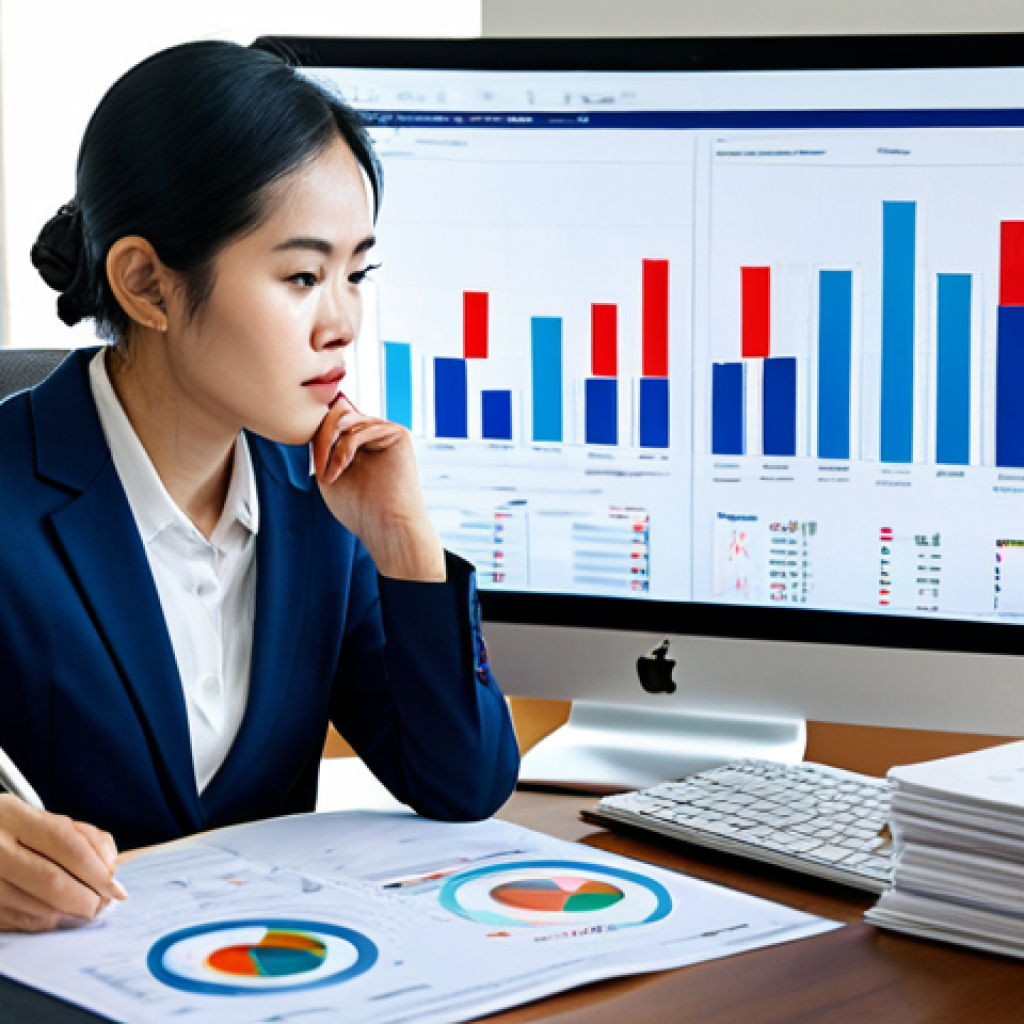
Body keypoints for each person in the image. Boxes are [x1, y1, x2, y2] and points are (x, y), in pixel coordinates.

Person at [0, 40, 520, 933]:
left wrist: (403, 544)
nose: (344, 322)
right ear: (146, 283)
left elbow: (460, 786)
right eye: (302, 277)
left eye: (357, 275)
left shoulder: (322, 502)